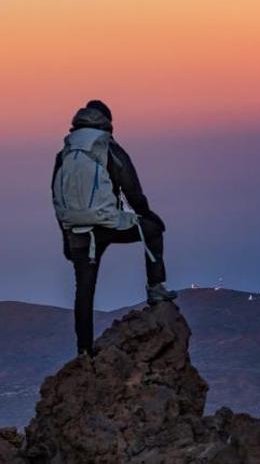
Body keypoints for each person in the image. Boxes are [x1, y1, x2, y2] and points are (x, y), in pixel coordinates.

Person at [51, 100, 177, 357]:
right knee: (153, 230)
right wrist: (148, 216)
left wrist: (66, 237)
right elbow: (132, 189)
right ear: (107, 121)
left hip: (78, 232)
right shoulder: (107, 147)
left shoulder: (65, 152)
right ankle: (156, 290)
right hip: (108, 223)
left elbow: (56, 197)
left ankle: (83, 351)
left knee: (84, 291)